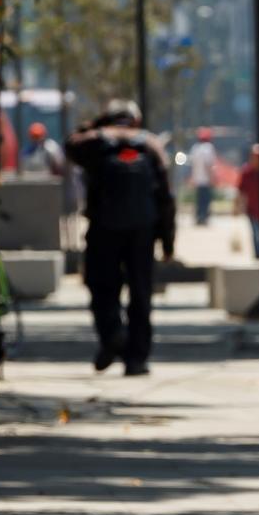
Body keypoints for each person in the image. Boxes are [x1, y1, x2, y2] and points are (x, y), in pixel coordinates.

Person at [65, 99, 176, 377]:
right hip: (143, 230)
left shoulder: (95, 140)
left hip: (104, 227)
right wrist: (168, 241)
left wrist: (95, 125)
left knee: (101, 286)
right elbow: (165, 197)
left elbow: (70, 145)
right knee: (141, 293)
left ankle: (113, 334)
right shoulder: (150, 144)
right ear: (135, 120)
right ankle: (136, 358)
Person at [188, 126, 217, 225]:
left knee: (199, 200)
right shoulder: (208, 148)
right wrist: (212, 177)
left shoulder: (195, 148)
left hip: (197, 179)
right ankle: (204, 217)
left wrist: (192, 178)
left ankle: (199, 217)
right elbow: (208, 165)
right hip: (206, 179)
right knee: (205, 200)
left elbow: (192, 165)